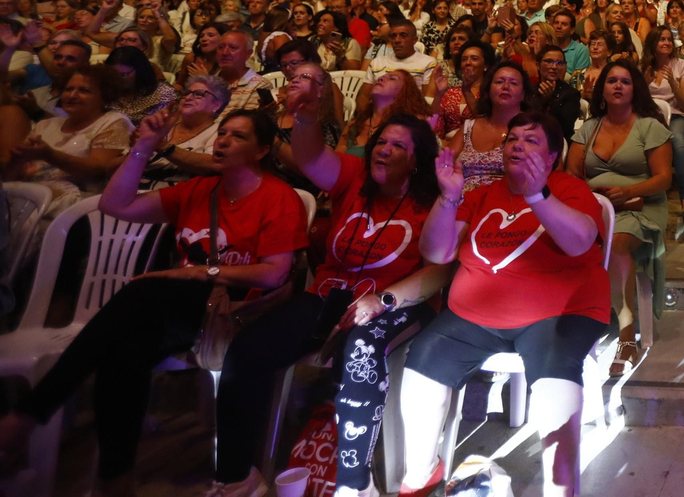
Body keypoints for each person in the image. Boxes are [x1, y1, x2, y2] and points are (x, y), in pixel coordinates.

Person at [0, 108, 305, 496]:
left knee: (145, 290)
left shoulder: (277, 198)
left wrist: (200, 272)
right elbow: (115, 207)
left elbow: (274, 274)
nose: (223, 141)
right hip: (186, 308)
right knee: (125, 353)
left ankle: (29, 415)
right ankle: (115, 481)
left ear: (261, 150)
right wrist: (143, 147)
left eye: (238, 136)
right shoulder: (199, 190)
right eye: (222, 133)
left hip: (237, 311)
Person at [211, 74, 448, 497]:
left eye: (397, 146)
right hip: (327, 296)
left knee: (360, 351)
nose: (383, 149)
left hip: (400, 302)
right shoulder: (354, 177)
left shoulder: (432, 200)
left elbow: (439, 271)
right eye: (380, 142)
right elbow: (313, 157)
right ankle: (237, 476)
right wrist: (305, 119)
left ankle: (355, 486)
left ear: (417, 161)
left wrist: (384, 299)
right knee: (246, 350)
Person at [400, 112, 607, 497]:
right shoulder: (481, 195)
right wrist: (448, 197)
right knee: (423, 362)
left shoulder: (570, 189)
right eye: (512, 139)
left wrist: (537, 194)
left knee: (554, 384)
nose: (518, 145)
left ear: (552, 158)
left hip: (558, 313)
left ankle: (561, 490)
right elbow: (436, 252)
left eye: (531, 141)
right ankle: (420, 476)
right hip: (473, 316)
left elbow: (580, 242)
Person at [565, 63, 671, 378]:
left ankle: (626, 337)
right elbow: (571, 176)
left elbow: (664, 179)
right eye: (612, 80)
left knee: (616, 242)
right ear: (603, 89)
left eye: (625, 81)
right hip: (595, 208)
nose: (618, 85)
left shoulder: (649, 127)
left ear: (634, 89)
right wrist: (590, 198)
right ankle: (568, 324)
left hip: (641, 207)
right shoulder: (589, 128)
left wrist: (628, 193)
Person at [5, 64, 132, 216]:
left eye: (84, 91)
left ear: (105, 96)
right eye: (68, 89)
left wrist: (49, 155)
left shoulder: (113, 122)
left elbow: (98, 169)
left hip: (78, 208)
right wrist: (16, 160)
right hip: (29, 201)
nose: (72, 95)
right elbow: (14, 177)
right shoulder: (45, 125)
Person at [445, 60, 534, 192]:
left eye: (513, 83)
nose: (506, 86)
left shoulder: (532, 129)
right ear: (488, 90)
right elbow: (444, 165)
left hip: (509, 200)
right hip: (462, 199)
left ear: (523, 94)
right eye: (499, 82)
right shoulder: (470, 127)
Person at [640, 28, 684, 225]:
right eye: (661, 40)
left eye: (669, 40)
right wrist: (643, 84)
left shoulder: (682, 66)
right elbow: (634, 101)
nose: (666, 43)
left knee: (679, 140)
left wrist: (674, 83)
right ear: (652, 43)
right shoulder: (643, 67)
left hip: (676, 117)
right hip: (648, 118)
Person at [141, 74, 232, 181]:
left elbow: (213, 164)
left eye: (199, 94)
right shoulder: (165, 123)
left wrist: (163, 147)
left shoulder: (220, 132)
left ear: (216, 105)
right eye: (187, 93)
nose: (188, 98)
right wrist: (138, 147)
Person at [340, 70, 432, 158]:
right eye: (382, 77)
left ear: (405, 91)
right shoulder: (356, 124)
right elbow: (338, 158)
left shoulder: (410, 125)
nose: (380, 78)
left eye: (392, 78)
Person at [432, 39, 492, 138]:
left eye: (474, 58)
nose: (468, 62)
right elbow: (434, 124)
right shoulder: (451, 93)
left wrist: (467, 91)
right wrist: (439, 94)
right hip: (447, 144)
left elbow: (485, 125)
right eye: (464, 59)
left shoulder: (490, 92)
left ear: (486, 65)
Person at [529, 45, 583, 142]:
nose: (554, 67)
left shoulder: (571, 94)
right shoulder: (529, 91)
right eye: (549, 61)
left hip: (558, 142)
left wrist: (550, 100)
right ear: (538, 65)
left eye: (559, 63)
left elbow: (565, 126)